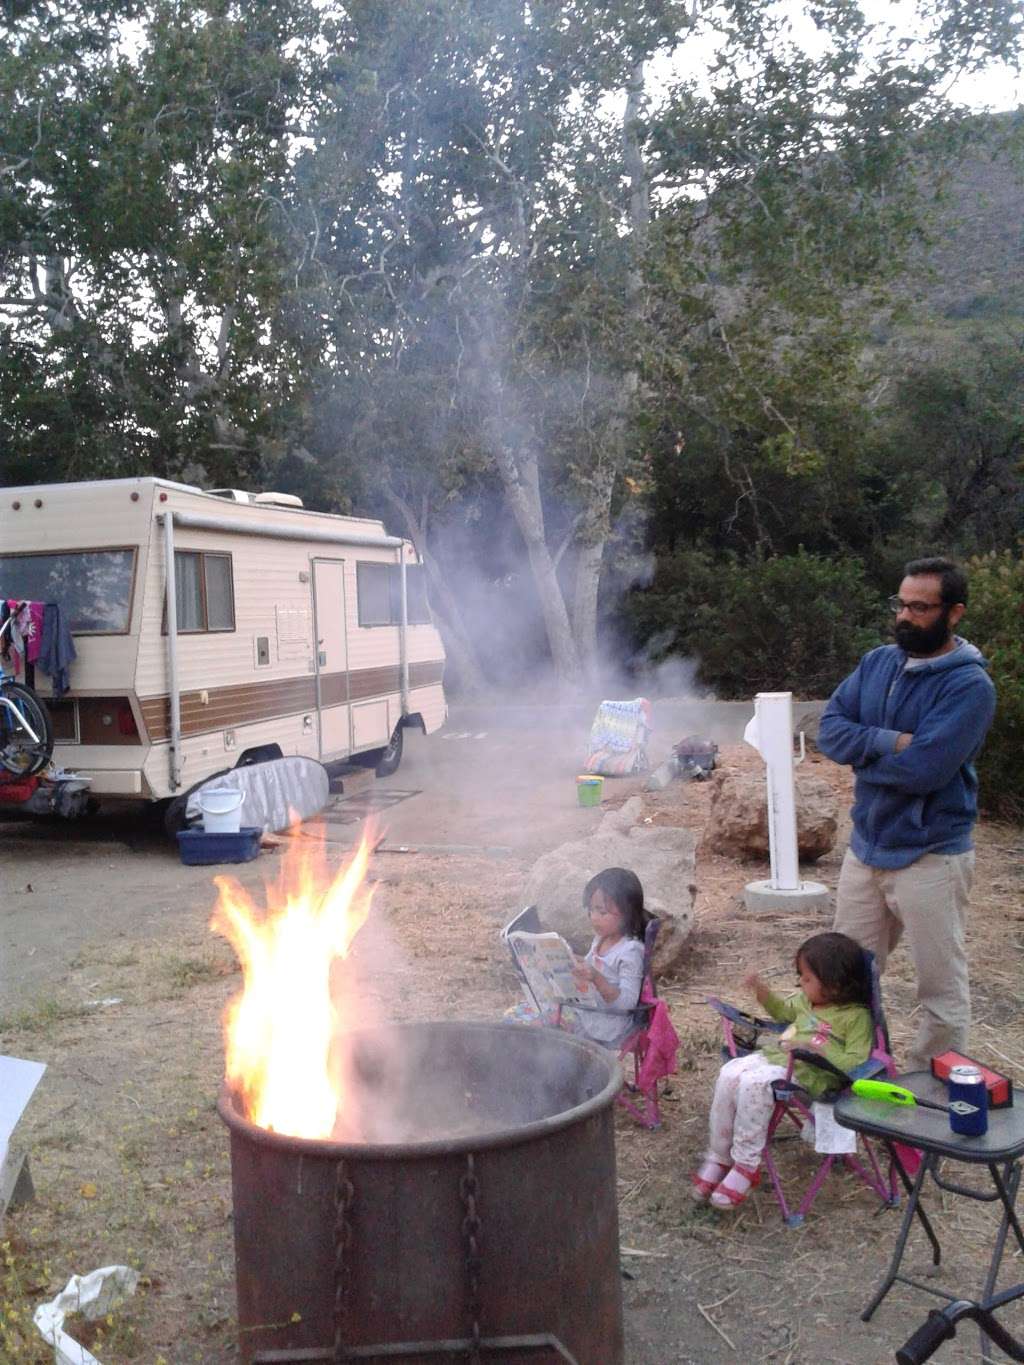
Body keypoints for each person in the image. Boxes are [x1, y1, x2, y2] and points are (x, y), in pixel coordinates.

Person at [816, 556, 996, 1070]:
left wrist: (861, 758)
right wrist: (888, 741)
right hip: (866, 848)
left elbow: (926, 771)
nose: (905, 616)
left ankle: (928, 1095)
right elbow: (830, 729)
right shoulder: (877, 663)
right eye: (901, 603)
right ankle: (854, 1075)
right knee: (843, 980)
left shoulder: (969, 687)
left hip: (931, 855)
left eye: (920, 607)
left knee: (939, 989)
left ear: (953, 613)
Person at [691, 932, 873, 1210]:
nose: (801, 982)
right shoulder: (806, 1001)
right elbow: (784, 1014)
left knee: (753, 1085)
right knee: (729, 1073)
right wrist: (762, 991)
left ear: (835, 985)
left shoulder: (856, 1017)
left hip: (810, 1076)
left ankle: (746, 1164)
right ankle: (719, 1156)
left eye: (807, 978)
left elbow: (856, 1063)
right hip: (776, 1059)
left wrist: (816, 1047)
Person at [505, 867, 649, 1048]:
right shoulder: (601, 939)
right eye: (591, 910)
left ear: (628, 913)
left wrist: (597, 978)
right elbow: (587, 967)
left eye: (602, 912)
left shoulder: (630, 951)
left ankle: (545, 1068)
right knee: (514, 1016)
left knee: (527, 1025)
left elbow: (627, 1004)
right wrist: (565, 960)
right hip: (582, 1010)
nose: (594, 918)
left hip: (604, 1025)